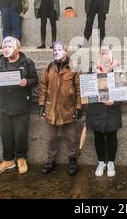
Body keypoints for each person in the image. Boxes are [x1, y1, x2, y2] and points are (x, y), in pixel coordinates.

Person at [0, 37, 38, 175]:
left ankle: (21, 158)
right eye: (4, 47)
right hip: (4, 104)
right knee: (5, 134)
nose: (6, 49)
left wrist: (27, 82)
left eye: (9, 46)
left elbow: (35, 80)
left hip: (21, 104)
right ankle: (8, 160)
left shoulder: (27, 62)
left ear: (17, 48)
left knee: (20, 134)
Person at [38, 42, 82, 175]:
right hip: (51, 109)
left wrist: (79, 107)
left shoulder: (74, 68)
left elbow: (80, 89)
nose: (56, 52)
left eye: (59, 49)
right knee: (51, 138)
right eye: (54, 50)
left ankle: (73, 159)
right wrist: (41, 105)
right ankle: (51, 160)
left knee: (72, 137)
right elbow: (43, 87)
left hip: (68, 109)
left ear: (65, 52)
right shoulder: (50, 67)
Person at [85, 46, 123, 177]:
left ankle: (111, 162)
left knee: (112, 136)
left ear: (111, 54)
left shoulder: (118, 69)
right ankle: (101, 162)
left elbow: (124, 91)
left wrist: (115, 101)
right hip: (96, 110)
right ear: (99, 55)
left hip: (112, 110)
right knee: (98, 137)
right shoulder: (92, 70)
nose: (105, 54)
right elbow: (86, 90)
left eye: (107, 52)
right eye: (102, 52)